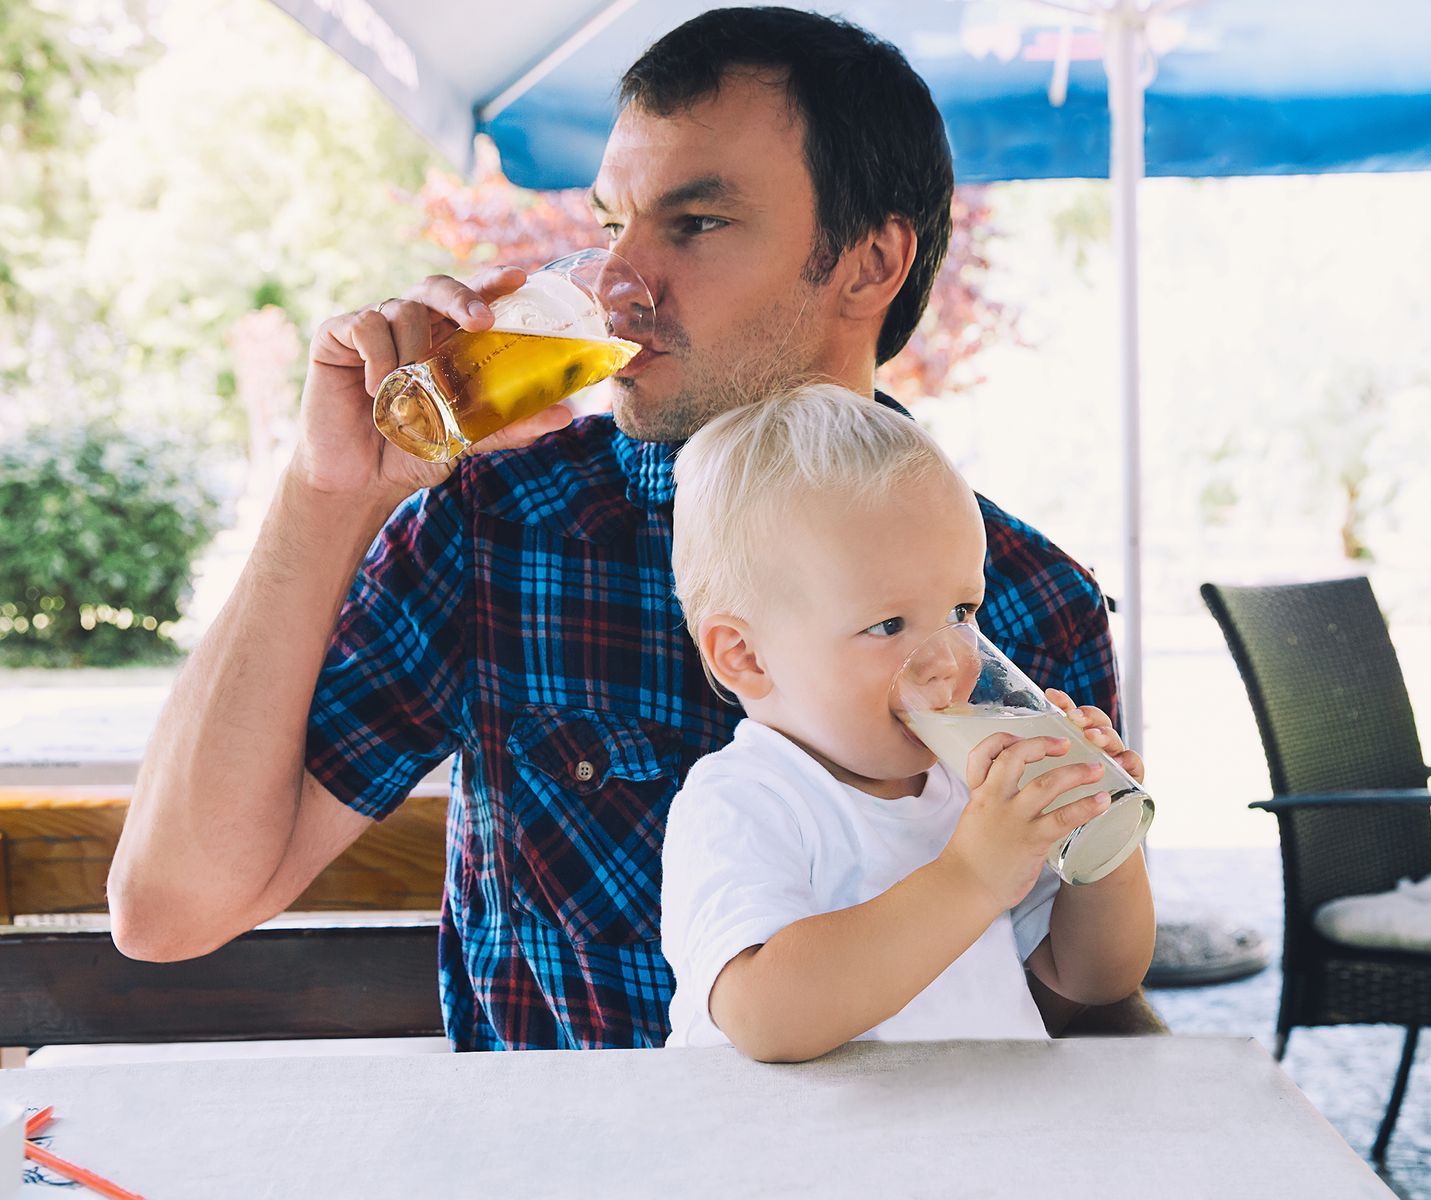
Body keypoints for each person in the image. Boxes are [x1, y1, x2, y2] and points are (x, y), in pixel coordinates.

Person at [108, 7, 1139, 1050]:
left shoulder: (1030, 599)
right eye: (612, 228)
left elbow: (1068, 999)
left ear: (869, 263)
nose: (616, 284)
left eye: (695, 225)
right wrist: (328, 492)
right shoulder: (500, 529)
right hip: (565, 1140)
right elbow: (170, 910)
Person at [662, 385, 1154, 1060]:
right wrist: (972, 876)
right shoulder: (743, 801)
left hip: (978, 1125)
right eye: (889, 625)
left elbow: (1091, 980)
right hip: (795, 1133)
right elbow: (765, 1018)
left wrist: (1099, 838)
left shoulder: (970, 789)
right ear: (746, 656)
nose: (948, 660)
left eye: (961, 612)